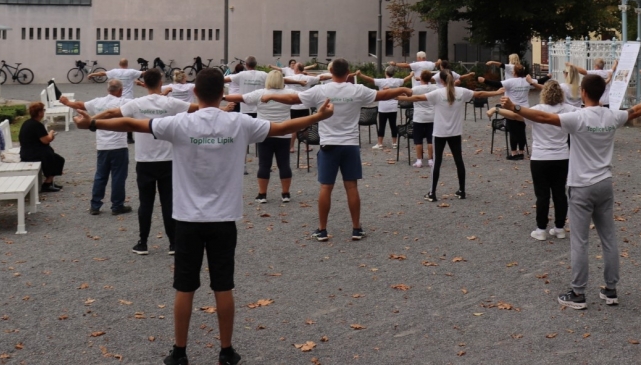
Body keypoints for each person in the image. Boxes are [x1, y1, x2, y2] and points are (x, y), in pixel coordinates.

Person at [71, 68, 332, 365]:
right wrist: (317, 118)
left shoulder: (180, 123)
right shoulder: (239, 123)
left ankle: (180, 352)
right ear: (223, 93)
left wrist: (92, 123)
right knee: (223, 286)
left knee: (185, 286)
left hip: (187, 220)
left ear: (195, 93)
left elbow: (132, 122)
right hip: (223, 219)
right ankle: (226, 351)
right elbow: (283, 126)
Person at [498, 75, 641, 309]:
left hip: (582, 185)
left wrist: (517, 107)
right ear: (602, 93)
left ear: (583, 92)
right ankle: (611, 289)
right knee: (609, 238)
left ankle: (578, 293)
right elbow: (636, 110)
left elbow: (542, 116)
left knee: (580, 241)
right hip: (604, 183)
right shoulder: (613, 116)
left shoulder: (578, 118)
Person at [260, 58, 410, 242]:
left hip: (329, 145)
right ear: (348, 73)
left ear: (331, 72)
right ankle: (356, 228)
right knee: (352, 187)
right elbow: (383, 95)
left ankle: (322, 230)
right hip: (350, 145)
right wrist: (402, 89)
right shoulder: (357, 90)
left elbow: (293, 98)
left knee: (326, 187)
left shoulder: (321, 90)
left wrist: (270, 95)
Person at [92, 69, 203, 256]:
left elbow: (112, 112)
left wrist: (91, 121)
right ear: (161, 82)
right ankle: (173, 243)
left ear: (144, 82)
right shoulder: (170, 102)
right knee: (168, 202)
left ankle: (143, 242)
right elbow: (197, 108)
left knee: (146, 203)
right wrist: (223, 109)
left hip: (144, 160)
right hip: (168, 159)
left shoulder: (136, 104)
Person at [490, 80, 577, 240]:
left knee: (542, 194)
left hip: (540, 158)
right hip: (562, 156)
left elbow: (516, 116)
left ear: (543, 94)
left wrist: (498, 110)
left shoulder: (537, 110)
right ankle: (560, 227)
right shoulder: (569, 109)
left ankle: (541, 229)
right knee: (560, 193)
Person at [399, 70, 497, 201]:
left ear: (441, 81)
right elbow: (479, 94)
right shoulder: (461, 91)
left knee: (437, 162)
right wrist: (498, 92)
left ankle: (432, 193)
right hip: (455, 132)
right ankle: (462, 190)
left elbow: (417, 98)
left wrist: (399, 97)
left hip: (440, 132)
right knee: (459, 161)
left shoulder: (438, 93)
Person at [224, 70, 297, 203]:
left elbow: (240, 97)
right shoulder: (290, 93)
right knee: (284, 164)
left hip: (264, 132)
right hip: (284, 133)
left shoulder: (260, 93)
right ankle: (285, 194)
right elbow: (303, 99)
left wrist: (222, 97)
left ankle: (262, 194)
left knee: (264, 164)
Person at [60, 80, 132, 215]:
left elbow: (81, 105)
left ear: (108, 90)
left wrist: (67, 102)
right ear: (121, 91)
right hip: (119, 145)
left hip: (102, 145)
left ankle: (95, 205)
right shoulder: (124, 102)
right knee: (118, 176)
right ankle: (117, 205)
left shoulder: (98, 102)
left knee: (100, 175)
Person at [479, 64, 542, 160]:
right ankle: (521, 151)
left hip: (511, 108)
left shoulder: (510, 81)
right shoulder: (528, 81)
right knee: (521, 131)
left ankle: (514, 153)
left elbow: (497, 84)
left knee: (512, 131)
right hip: (524, 109)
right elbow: (540, 82)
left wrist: (484, 81)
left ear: (514, 72)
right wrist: (548, 76)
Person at [88, 58, 144, 143]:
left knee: (114, 114)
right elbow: (144, 73)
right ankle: (129, 137)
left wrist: (92, 74)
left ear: (119, 64)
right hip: (128, 98)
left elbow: (102, 73)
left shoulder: (115, 71)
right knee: (128, 117)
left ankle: (114, 132)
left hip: (116, 97)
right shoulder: (131, 72)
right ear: (127, 64)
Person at [18, 101, 64, 192]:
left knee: (53, 155)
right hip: (31, 153)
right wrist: (51, 133)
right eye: (43, 110)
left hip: (27, 151)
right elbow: (46, 140)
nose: (44, 111)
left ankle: (49, 182)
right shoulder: (37, 125)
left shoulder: (28, 122)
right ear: (39, 113)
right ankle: (47, 183)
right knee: (56, 159)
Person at [356, 66, 405, 150]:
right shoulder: (398, 81)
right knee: (393, 125)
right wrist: (411, 75)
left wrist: (360, 75)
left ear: (386, 73)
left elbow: (370, 79)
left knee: (382, 125)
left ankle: (380, 143)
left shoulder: (382, 81)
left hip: (383, 107)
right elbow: (406, 79)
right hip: (393, 106)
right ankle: (394, 143)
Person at [405, 70, 437, 167]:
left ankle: (419, 160)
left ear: (421, 78)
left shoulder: (416, 88)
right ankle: (430, 159)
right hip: (431, 116)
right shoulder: (435, 88)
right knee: (430, 139)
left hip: (419, 116)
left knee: (418, 139)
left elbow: (408, 95)